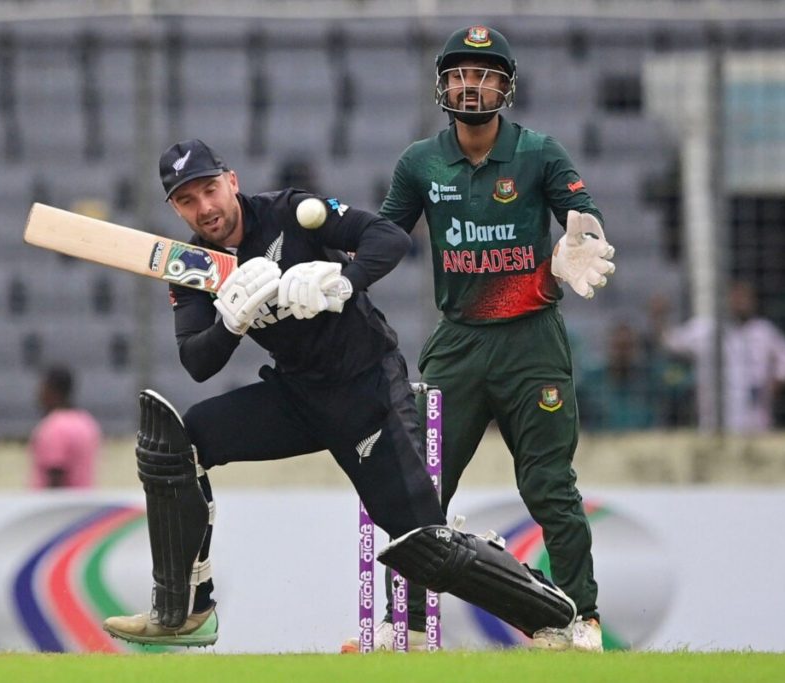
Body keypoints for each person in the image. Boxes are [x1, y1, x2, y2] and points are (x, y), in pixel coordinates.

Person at [101, 138, 577, 650]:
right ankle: (184, 613)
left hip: (365, 389)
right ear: (174, 207)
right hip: (297, 396)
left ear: (232, 181)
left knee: (424, 543)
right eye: (187, 201)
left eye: (210, 190)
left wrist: (345, 281)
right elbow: (197, 361)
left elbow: (389, 238)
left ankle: (551, 612)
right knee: (178, 440)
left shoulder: (292, 211)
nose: (205, 208)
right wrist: (229, 322)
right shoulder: (192, 266)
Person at [370, 25, 616, 652]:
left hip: (532, 342)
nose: (468, 85)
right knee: (420, 487)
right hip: (458, 344)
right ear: (441, 84)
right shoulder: (420, 162)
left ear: (505, 86)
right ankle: (412, 628)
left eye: (482, 74)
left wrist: (576, 244)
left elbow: (583, 218)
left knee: (547, 486)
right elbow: (383, 242)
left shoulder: (538, 152)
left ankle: (581, 619)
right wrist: (333, 270)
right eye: (457, 73)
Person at [659, 280, 785, 433]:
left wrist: (776, 383)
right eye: (736, 297)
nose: (740, 302)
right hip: (713, 424)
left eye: (745, 297)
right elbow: (671, 342)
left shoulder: (764, 331)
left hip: (756, 423)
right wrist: (660, 317)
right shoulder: (706, 328)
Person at [578, 321, 662, 431]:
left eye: (627, 346)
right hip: (600, 444)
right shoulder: (590, 383)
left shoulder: (651, 382)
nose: (622, 353)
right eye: (618, 346)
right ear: (608, 346)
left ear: (637, 348)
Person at [28, 365, 102, 488]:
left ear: (53, 391)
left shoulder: (53, 427)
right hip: (85, 502)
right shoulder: (87, 422)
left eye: (42, 389)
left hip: (58, 505)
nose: (39, 395)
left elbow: (55, 476)